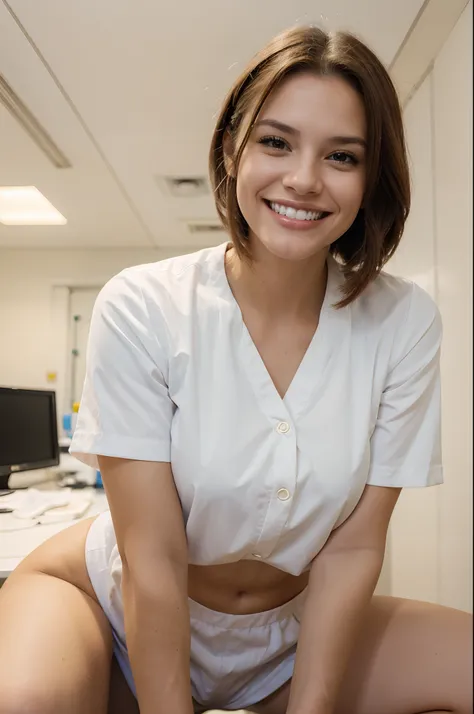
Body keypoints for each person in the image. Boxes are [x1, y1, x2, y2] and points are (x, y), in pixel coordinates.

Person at [0, 24, 471, 714]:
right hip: (115, 602)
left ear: (371, 177)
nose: (304, 179)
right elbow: (152, 557)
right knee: (28, 698)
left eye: (342, 156)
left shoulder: (403, 323)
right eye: (276, 142)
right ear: (232, 148)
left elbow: (352, 550)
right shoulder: (143, 305)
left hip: (288, 630)